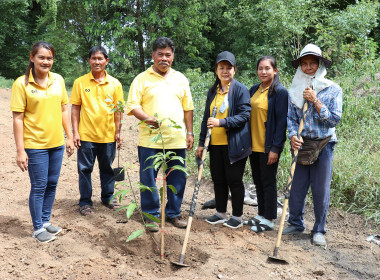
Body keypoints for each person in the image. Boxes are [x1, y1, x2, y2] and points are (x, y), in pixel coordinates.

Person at [126, 37, 194, 231]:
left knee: (177, 178)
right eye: (160, 54)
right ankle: (150, 215)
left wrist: (189, 132)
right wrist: (147, 118)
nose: (164, 58)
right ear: (153, 55)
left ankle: (173, 213)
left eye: (168, 55)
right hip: (150, 140)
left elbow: (188, 107)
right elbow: (132, 105)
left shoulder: (180, 78)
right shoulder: (142, 78)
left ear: (173, 56)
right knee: (148, 179)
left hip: (177, 140)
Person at [11, 41, 74, 243]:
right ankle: (38, 228)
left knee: (52, 183)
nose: (46, 61)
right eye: (42, 57)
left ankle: (45, 221)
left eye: (49, 58)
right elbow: (18, 118)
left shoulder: (58, 80)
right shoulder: (22, 84)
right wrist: (20, 151)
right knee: (39, 185)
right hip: (35, 144)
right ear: (32, 57)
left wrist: (70, 137)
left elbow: (64, 108)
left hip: (56, 142)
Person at [283, 44, 343, 246]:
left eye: (312, 64)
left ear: (320, 65)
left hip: (324, 144)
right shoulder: (295, 90)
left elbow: (334, 120)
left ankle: (319, 230)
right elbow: (291, 118)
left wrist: (316, 101)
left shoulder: (332, 89)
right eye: (304, 64)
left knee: (320, 189)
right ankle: (296, 222)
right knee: (297, 187)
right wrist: (292, 135)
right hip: (302, 144)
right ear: (300, 67)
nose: (308, 68)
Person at [196, 51, 251, 229]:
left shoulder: (240, 90)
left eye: (229, 67)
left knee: (234, 180)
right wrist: (200, 143)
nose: (225, 71)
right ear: (216, 70)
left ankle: (237, 216)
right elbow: (206, 119)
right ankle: (220, 212)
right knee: (218, 179)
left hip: (234, 144)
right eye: (222, 67)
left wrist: (222, 122)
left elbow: (244, 115)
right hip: (215, 144)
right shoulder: (213, 91)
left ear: (234, 70)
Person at [70, 46, 124, 216]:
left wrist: (118, 132)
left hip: (107, 135)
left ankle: (108, 197)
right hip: (86, 135)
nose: (97, 62)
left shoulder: (115, 83)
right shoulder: (80, 82)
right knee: (85, 169)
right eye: (93, 58)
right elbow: (75, 109)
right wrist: (75, 133)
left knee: (107, 168)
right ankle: (85, 202)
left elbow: (118, 110)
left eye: (100, 59)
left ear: (106, 61)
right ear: (89, 61)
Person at [246, 56, 288, 232]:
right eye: (260, 68)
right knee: (258, 180)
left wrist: (275, 148)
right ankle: (261, 213)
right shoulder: (254, 89)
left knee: (268, 181)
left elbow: (281, 124)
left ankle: (270, 218)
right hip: (252, 144)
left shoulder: (280, 92)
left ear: (275, 70)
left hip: (268, 145)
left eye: (267, 68)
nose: (263, 72)